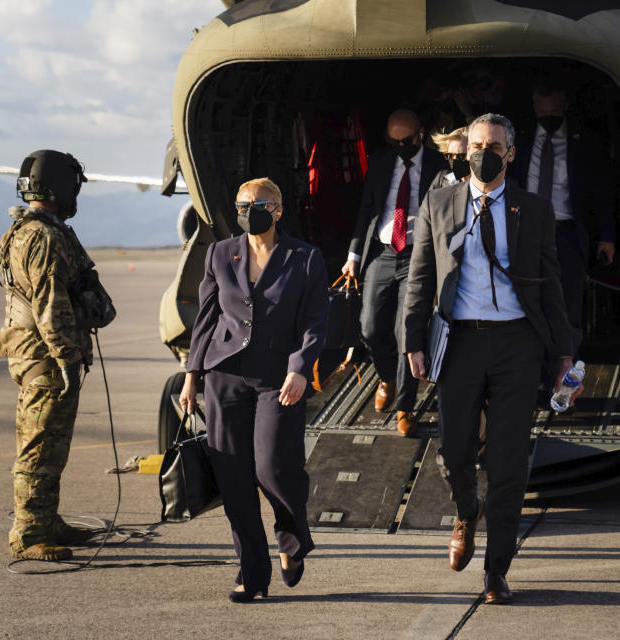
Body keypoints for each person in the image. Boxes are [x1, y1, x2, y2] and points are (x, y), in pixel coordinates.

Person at [403, 114, 576, 604]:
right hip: (458, 343)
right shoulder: (439, 203)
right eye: (476, 144)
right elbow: (419, 279)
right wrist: (412, 343)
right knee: (453, 453)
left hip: (517, 343)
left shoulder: (534, 210)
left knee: (507, 462)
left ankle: (496, 571)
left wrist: (564, 354)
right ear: (465, 150)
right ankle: (465, 510)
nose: (484, 152)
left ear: (510, 153)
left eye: (494, 145)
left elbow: (551, 286)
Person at [179, 177, 328, 603]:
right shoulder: (221, 253)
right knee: (234, 478)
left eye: (258, 203)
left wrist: (301, 369)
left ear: (278, 209)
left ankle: (291, 539)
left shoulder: (305, 257)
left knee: (273, 469)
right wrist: (193, 375)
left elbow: (316, 321)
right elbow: (206, 319)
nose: (248, 210)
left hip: (277, 379)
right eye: (242, 203)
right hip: (225, 375)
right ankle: (252, 574)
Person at [0, 150, 99, 561]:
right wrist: (67, 358)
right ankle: (28, 533)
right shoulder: (43, 236)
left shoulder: (29, 230)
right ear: (58, 187)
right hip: (46, 359)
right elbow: (50, 304)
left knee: (51, 444)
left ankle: (46, 519)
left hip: (37, 355)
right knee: (39, 446)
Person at [341, 109, 448, 436]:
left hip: (419, 252)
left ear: (420, 135)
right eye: (394, 141)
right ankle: (386, 376)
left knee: (407, 332)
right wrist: (354, 254)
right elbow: (366, 210)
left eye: (406, 140)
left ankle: (405, 406)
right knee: (370, 327)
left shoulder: (438, 165)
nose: (400, 146)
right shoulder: (380, 162)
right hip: (384, 250)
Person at [513, 78, 616, 355]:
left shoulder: (585, 142)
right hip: (527, 231)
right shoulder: (520, 139)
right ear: (535, 109)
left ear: (566, 107)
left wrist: (607, 236)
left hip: (567, 232)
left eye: (554, 114)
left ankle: (564, 367)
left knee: (568, 303)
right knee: (526, 301)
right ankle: (533, 366)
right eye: (543, 114)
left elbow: (602, 191)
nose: (549, 119)